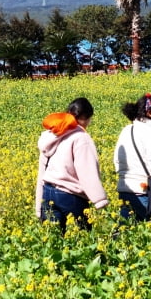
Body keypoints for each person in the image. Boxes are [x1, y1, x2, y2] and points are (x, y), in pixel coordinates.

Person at [36, 97, 109, 233]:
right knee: (84, 240)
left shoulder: (51, 135)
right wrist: (100, 200)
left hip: (48, 192)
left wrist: (39, 205)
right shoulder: (81, 137)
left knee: (53, 241)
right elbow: (87, 172)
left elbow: (43, 170)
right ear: (86, 118)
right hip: (70, 197)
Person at [114, 92, 151, 222]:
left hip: (125, 191)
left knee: (127, 233)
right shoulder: (149, 132)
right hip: (145, 193)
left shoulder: (126, 130)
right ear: (150, 113)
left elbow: (117, 161)